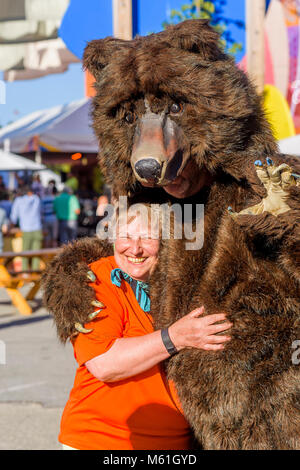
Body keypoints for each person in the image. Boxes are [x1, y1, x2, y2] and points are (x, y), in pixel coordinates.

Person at [58, 205, 232, 450]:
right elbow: (104, 363)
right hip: (101, 439)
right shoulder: (97, 278)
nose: (135, 248)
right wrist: (174, 337)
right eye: (126, 236)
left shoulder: (185, 282)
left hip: (174, 444)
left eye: (148, 237)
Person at [10, 186, 43, 270]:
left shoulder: (19, 201)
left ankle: (25, 272)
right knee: (36, 253)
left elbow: (13, 217)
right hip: (37, 228)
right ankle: (35, 271)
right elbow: (41, 213)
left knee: (25, 253)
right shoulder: (36, 199)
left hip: (26, 229)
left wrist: (10, 228)